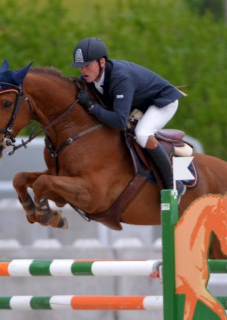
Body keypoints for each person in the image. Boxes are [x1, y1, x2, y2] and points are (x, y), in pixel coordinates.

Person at [72, 37, 186, 200]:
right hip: (140, 104)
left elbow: (119, 121)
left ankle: (173, 183)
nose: (83, 71)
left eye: (87, 65)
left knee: (142, 134)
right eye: (80, 67)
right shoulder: (92, 77)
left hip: (162, 102)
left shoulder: (120, 77)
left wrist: (91, 107)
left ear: (102, 62)